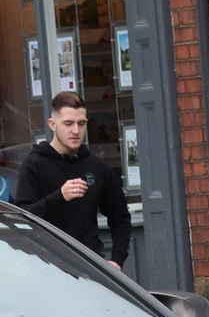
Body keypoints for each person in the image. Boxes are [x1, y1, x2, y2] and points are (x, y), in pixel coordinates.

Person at [14, 92, 132, 266]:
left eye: (81, 123)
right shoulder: (34, 164)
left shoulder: (96, 166)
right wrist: (60, 197)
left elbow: (120, 216)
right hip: (46, 268)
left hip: (90, 269)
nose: (76, 130)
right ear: (52, 124)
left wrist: (117, 259)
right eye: (68, 123)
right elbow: (21, 219)